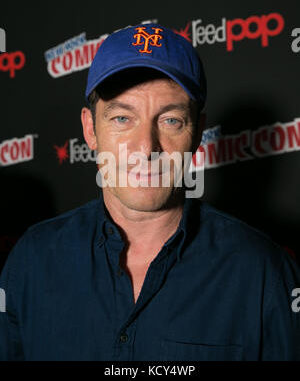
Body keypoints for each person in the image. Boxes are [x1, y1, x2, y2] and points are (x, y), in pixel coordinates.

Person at [0, 24, 300, 361]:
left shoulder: (264, 273)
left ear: (198, 132)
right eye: (122, 118)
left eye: (171, 120)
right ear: (90, 129)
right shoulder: (31, 261)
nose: (145, 148)